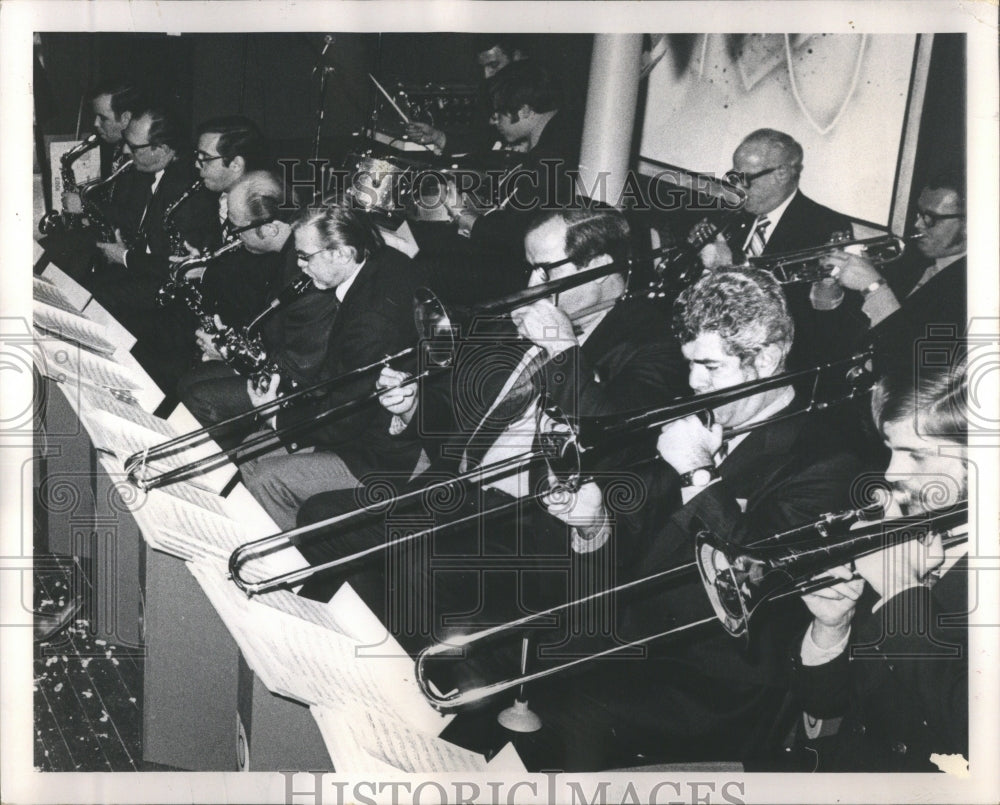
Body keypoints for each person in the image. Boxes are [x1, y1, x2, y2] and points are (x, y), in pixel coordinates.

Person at [291, 206, 687, 657]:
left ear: (598, 268)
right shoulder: (531, 316)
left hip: (525, 521)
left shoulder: (652, 344)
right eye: (530, 267)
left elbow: (612, 434)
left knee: (418, 559)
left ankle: (416, 673)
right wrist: (414, 403)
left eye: (546, 268)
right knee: (322, 519)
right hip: (455, 488)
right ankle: (346, 644)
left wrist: (562, 350)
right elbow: (457, 413)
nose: (533, 284)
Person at [532, 267, 868, 768]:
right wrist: (594, 522)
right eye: (690, 364)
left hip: (714, 683)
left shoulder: (825, 460)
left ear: (769, 359)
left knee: (561, 715)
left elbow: (756, 573)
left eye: (711, 367)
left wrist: (697, 472)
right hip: (632, 638)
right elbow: (641, 539)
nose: (694, 383)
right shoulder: (697, 415)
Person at [792, 355, 968, 771]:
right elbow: (827, 703)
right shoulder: (909, 528)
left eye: (917, 456)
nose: (891, 473)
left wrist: (903, 592)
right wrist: (830, 629)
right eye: (891, 450)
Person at [238, 202, 425, 530]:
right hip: (365, 425)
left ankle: (295, 566)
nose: (299, 266)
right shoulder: (382, 261)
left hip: (382, 454)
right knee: (250, 452)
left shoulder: (371, 320)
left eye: (305, 257)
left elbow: (344, 419)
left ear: (341, 253)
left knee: (265, 478)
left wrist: (275, 414)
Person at [177, 170, 341, 442]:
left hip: (302, 386)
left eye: (236, 228)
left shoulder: (307, 270)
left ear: (269, 229)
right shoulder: (283, 250)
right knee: (190, 381)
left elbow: (301, 369)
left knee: (200, 398)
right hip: (280, 359)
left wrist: (231, 353)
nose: (231, 235)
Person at [85, 103, 220, 396]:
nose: (124, 152)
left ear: (162, 148)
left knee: (96, 298)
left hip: (171, 296)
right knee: (86, 287)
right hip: (148, 275)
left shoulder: (190, 191)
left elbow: (171, 266)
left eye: (134, 147)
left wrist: (123, 256)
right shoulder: (150, 173)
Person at [695, 129, 857, 368]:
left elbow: (803, 318)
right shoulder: (734, 214)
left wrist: (729, 268)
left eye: (745, 178)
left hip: (772, 359)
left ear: (781, 173)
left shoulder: (825, 227)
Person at [823, 169, 967, 357]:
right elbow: (859, 325)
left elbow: (919, 359)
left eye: (930, 218)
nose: (918, 225)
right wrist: (831, 283)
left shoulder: (975, 290)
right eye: (918, 214)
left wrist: (873, 287)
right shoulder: (914, 259)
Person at [403, 35, 528, 155]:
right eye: (483, 67)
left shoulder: (540, 89)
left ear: (517, 57)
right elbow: (482, 140)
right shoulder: (487, 91)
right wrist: (437, 137)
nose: (487, 75)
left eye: (493, 65)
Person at [193, 115, 268, 228]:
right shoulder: (210, 199)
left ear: (236, 164)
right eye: (197, 155)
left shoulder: (261, 212)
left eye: (206, 157)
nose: (197, 164)